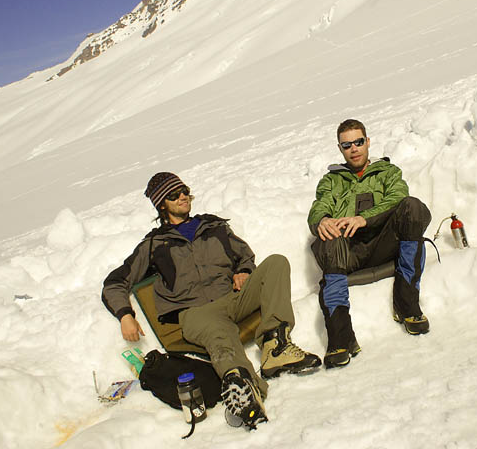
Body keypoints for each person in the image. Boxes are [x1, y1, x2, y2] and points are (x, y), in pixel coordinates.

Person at [102, 172, 320, 430]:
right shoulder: (154, 245)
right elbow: (115, 282)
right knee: (219, 333)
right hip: (197, 313)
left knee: (276, 263)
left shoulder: (214, 227)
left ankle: (276, 347)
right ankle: (241, 386)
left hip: (233, 299)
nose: (182, 196)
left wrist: (245, 271)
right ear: (162, 205)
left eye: (184, 190)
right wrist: (125, 314)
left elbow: (245, 255)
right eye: (174, 195)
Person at [307, 119, 433, 369]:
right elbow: (319, 206)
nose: (354, 148)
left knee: (413, 207)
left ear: (367, 142)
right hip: (348, 253)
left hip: (384, 244)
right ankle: (340, 337)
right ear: (340, 148)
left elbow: (398, 196)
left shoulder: (387, 172)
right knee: (328, 236)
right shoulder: (332, 180)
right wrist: (321, 220)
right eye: (347, 145)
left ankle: (407, 304)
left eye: (358, 142)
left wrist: (364, 218)